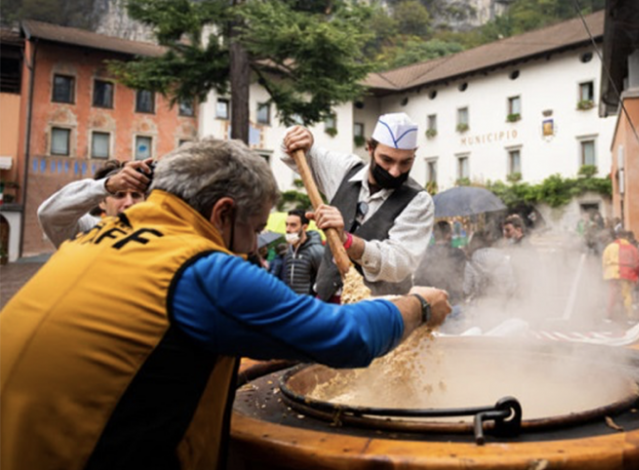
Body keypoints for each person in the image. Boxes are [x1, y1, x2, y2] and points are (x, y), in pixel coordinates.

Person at [0, 139, 451, 470]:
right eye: (254, 227)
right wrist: (419, 305)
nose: (255, 243)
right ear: (221, 213)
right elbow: (347, 337)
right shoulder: (201, 268)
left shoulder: (101, 236)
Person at [280, 113, 434, 302]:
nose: (395, 171)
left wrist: (346, 241)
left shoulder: (418, 200)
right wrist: (300, 135)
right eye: (387, 160)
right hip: (327, 301)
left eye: (405, 162)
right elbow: (291, 153)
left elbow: (399, 263)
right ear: (370, 149)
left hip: (379, 310)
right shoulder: (344, 169)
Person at [37, 158, 153, 248]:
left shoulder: (155, 233)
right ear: (102, 202)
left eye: (136, 195)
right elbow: (49, 214)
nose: (129, 202)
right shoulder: (89, 229)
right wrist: (109, 184)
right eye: (119, 195)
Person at [414, 220, 468, 303]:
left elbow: (417, 279)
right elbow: (466, 278)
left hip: (431, 303)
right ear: (448, 235)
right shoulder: (459, 254)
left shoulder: (424, 255)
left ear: (434, 235)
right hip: (454, 301)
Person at [280, 209, 325, 295]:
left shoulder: (316, 250)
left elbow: (325, 280)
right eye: (286, 225)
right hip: (290, 302)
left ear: (304, 227)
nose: (288, 229)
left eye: (293, 225)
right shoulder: (288, 251)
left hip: (309, 304)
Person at [602, 229, 639, 322]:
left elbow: (604, 261)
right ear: (627, 237)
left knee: (612, 294)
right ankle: (630, 316)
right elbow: (637, 263)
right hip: (627, 273)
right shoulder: (632, 248)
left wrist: (605, 273)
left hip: (612, 273)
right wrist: (636, 276)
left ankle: (609, 316)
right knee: (627, 294)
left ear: (617, 236)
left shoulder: (610, 247)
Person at [463, 230, 515, 299]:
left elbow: (467, 290)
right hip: (500, 303)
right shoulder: (504, 260)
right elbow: (511, 287)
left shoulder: (470, 263)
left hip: (480, 305)